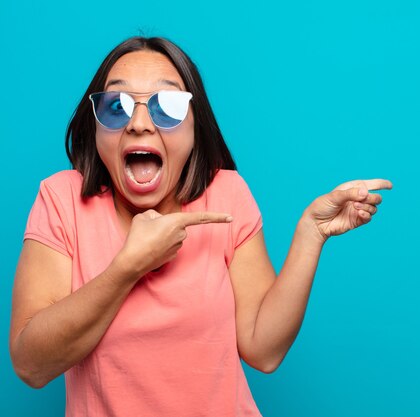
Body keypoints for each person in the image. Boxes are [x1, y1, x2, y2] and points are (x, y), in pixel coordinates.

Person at [9, 36, 392, 416]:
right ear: (95, 126)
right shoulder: (61, 200)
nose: (139, 124)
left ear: (195, 128)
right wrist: (128, 267)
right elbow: (31, 365)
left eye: (168, 106)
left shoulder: (226, 193)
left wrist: (311, 233)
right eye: (116, 106)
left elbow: (264, 350)